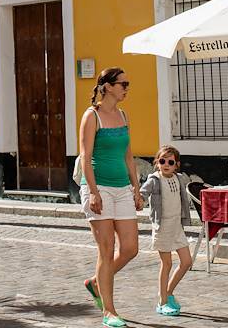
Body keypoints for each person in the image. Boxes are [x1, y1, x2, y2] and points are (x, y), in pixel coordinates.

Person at [78, 67, 142, 328]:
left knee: (130, 248)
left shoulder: (123, 115)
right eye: (123, 83)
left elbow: (128, 155)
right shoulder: (92, 116)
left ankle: (96, 282)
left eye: (128, 83)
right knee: (106, 250)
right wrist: (93, 192)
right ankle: (109, 311)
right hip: (99, 188)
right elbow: (85, 156)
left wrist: (136, 188)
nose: (127, 88)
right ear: (107, 86)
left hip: (122, 187)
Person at [139, 145, 195, 317]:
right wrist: (139, 200)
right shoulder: (155, 180)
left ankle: (168, 292)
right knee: (167, 264)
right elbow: (143, 192)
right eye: (162, 161)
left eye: (170, 162)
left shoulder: (178, 179)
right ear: (157, 163)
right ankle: (162, 302)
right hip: (162, 227)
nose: (166, 164)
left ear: (176, 164)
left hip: (176, 226)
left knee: (186, 262)